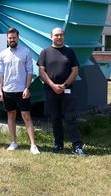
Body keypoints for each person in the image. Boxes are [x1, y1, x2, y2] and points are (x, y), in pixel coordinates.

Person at [37, 27, 85, 156]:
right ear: (51, 36)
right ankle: (58, 144)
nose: (59, 37)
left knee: (70, 118)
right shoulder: (45, 52)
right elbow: (41, 71)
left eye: (61, 35)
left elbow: (75, 70)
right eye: (56, 35)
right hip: (51, 90)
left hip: (67, 90)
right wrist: (53, 85)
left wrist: (64, 85)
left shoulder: (70, 52)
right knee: (55, 118)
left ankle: (77, 146)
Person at [0, 28, 40, 155]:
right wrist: (0, 90)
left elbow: (30, 72)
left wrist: (27, 88)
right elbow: (0, 74)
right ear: (7, 39)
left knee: (26, 116)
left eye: (14, 37)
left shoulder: (25, 52)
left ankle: (33, 145)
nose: (12, 40)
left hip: (22, 90)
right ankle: (13, 142)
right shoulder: (2, 54)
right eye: (10, 38)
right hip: (7, 90)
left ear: (18, 38)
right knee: (11, 115)